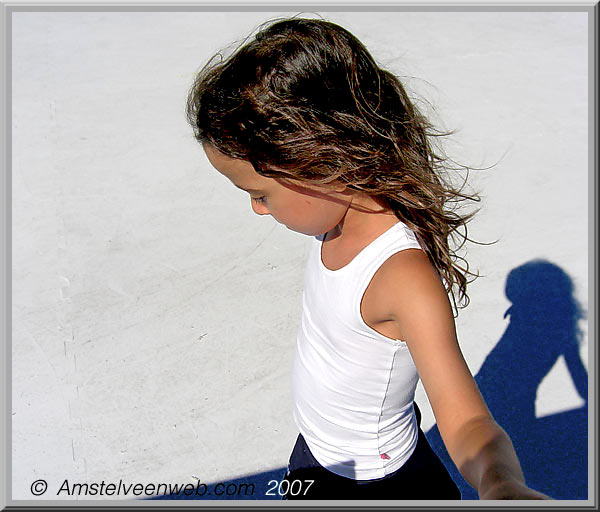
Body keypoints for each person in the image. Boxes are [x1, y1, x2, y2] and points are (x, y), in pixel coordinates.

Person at [186, 17, 551, 500]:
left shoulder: (402, 277)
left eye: (260, 194)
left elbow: (466, 420)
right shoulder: (333, 216)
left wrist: (501, 485)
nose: (256, 208)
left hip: (373, 484)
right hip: (317, 451)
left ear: (320, 161)